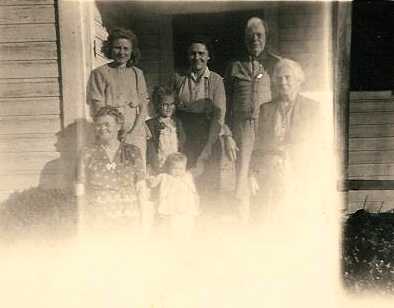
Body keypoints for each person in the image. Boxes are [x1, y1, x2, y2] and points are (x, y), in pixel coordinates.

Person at [248, 59, 322, 224]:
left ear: (298, 81)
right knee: (271, 217)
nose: (283, 82)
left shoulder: (312, 108)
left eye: (288, 77)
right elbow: (259, 145)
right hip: (271, 172)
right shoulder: (266, 109)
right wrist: (253, 173)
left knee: (297, 217)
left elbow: (318, 145)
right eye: (279, 78)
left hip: (300, 171)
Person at [170, 36, 236, 215]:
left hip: (209, 133)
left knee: (209, 182)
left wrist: (208, 146)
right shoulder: (178, 79)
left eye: (201, 53)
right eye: (192, 53)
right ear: (188, 56)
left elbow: (219, 115)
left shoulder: (216, 80)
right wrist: (178, 137)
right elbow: (171, 109)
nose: (196, 57)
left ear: (208, 57)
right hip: (185, 136)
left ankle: (209, 225)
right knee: (186, 182)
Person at [225, 17, 281, 222]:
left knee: (267, 173)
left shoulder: (275, 64)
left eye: (259, 35)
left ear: (266, 37)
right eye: (250, 36)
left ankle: (266, 222)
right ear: (245, 38)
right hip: (242, 129)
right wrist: (227, 133)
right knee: (243, 175)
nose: (255, 39)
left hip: (268, 127)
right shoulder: (234, 65)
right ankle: (243, 223)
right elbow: (227, 101)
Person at [74, 106, 149, 233]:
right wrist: (81, 224)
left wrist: (144, 223)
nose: (102, 128)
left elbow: (141, 190)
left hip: (129, 220)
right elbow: (80, 191)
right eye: (98, 125)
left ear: (118, 126)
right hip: (98, 221)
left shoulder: (132, 152)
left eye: (107, 124)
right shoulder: (87, 153)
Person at [87, 27, 150, 158]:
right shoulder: (99, 73)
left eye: (126, 49)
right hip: (109, 133)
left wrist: (133, 133)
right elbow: (98, 109)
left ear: (132, 51)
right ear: (110, 48)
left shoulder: (137, 74)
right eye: (117, 48)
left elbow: (143, 107)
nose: (122, 52)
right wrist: (113, 132)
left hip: (135, 132)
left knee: (135, 169)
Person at [147, 152, 201, 240]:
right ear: (168, 168)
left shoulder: (187, 176)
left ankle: (185, 240)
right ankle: (173, 241)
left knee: (187, 225)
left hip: (186, 207)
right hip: (171, 207)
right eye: (174, 168)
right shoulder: (164, 176)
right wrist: (151, 179)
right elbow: (153, 184)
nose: (178, 171)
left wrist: (196, 201)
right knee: (172, 227)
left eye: (181, 168)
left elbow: (193, 190)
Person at [146, 86, 186, 174]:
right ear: (158, 105)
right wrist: (156, 168)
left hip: (176, 167)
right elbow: (151, 149)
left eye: (172, 104)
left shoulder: (177, 123)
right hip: (159, 166)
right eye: (165, 105)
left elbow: (182, 145)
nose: (169, 108)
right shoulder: (151, 124)